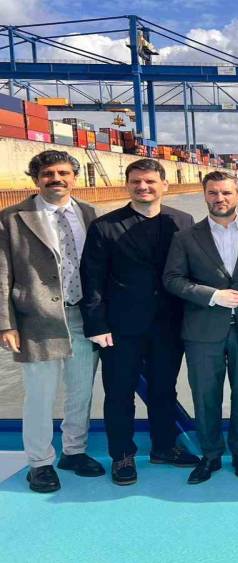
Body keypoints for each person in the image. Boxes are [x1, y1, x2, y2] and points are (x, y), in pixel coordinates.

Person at [80, 158, 198, 486]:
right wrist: (97, 325)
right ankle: (122, 454)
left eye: (150, 181)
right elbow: (92, 280)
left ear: (164, 185)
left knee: (164, 389)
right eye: (136, 182)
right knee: (119, 392)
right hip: (120, 327)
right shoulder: (104, 226)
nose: (143, 187)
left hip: (170, 324)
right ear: (128, 185)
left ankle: (164, 447)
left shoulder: (183, 221)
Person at [0, 150, 102, 493]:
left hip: (83, 315)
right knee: (40, 394)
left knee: (81, 391)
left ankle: (74, 451)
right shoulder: (12, 218)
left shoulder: (89, 213)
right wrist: (6, 324)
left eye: (63, 173)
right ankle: (39, 463)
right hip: (36, 319)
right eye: (48, 174)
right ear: (36, 179)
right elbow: (2, 274)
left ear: (74, 177)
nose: (56, 179)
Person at [163, 171, 238, 484]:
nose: (219, 199)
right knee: (206, 397)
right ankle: (210, 456)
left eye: (226, 193)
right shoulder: (185, 237)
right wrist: (212, 295)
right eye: (213, 193)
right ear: (204, 195)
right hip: (201, 330)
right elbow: (172, 279)